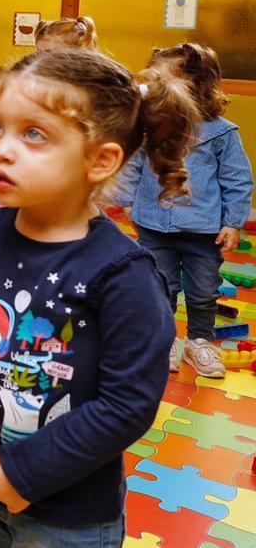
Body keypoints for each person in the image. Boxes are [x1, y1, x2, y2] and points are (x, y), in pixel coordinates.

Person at [0, 49, 196, 548]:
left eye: (33, 134)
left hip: (67, 514)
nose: (1, 149)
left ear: (100, 160)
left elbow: (126, 403)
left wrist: (25, 475)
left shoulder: (123, 274)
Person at [114, 43, 252, 379]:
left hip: (204, 230)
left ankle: (199, 341)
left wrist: (233, 223)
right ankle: (162, 343)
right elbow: (132, 166)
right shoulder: (150, 127)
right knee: (159, 287)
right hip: (154, 225)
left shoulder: (222, 133)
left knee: (204, 291)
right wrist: (128, 201)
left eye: (168, 80)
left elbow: (237, 180)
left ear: (198, 85)